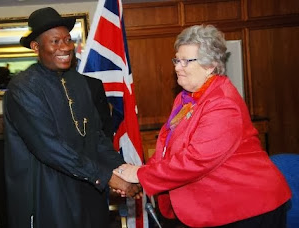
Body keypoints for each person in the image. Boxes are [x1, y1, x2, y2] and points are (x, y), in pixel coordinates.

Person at [113, 24, 292, 227]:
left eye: (185, 61)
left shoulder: (223, 103)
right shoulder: (185, 98)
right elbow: (167, 147)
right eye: (176, 60)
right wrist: (141, 174)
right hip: (214, 205)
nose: (177, 67)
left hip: (248, 207)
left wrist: (139, 174)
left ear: (210, 66)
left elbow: (195, 160)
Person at [3, 7, 141, 228]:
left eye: (68, 40)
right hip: (48, 193)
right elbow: (50, 148)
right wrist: (107, 177)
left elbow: (95, 136)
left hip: (88, 188)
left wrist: (122, 169)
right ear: (36, 47)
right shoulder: (23, 88)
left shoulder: (78, 82)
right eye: (55, 42)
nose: (66, 47)